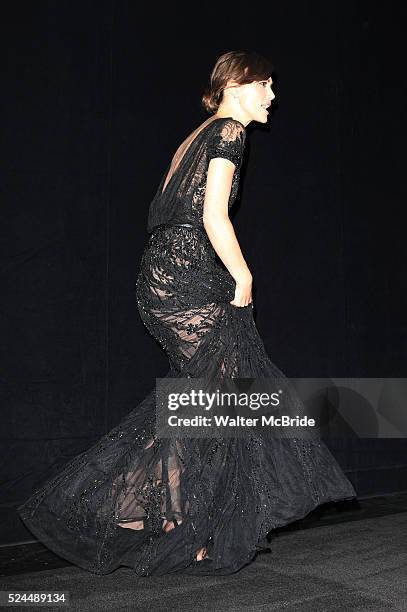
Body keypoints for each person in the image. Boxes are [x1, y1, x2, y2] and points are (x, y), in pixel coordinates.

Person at [17, 50, 356, 576]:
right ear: (240, 85)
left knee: (202, 402)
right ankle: (110, 506)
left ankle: (177, 520)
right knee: (226, 400)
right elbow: (213, 214)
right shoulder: (228, 134)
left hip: (160, 280)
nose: (272, 96)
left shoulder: (195, 136)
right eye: (267, 85)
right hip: (187, 281)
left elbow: (168, 213)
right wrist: (244, 275)